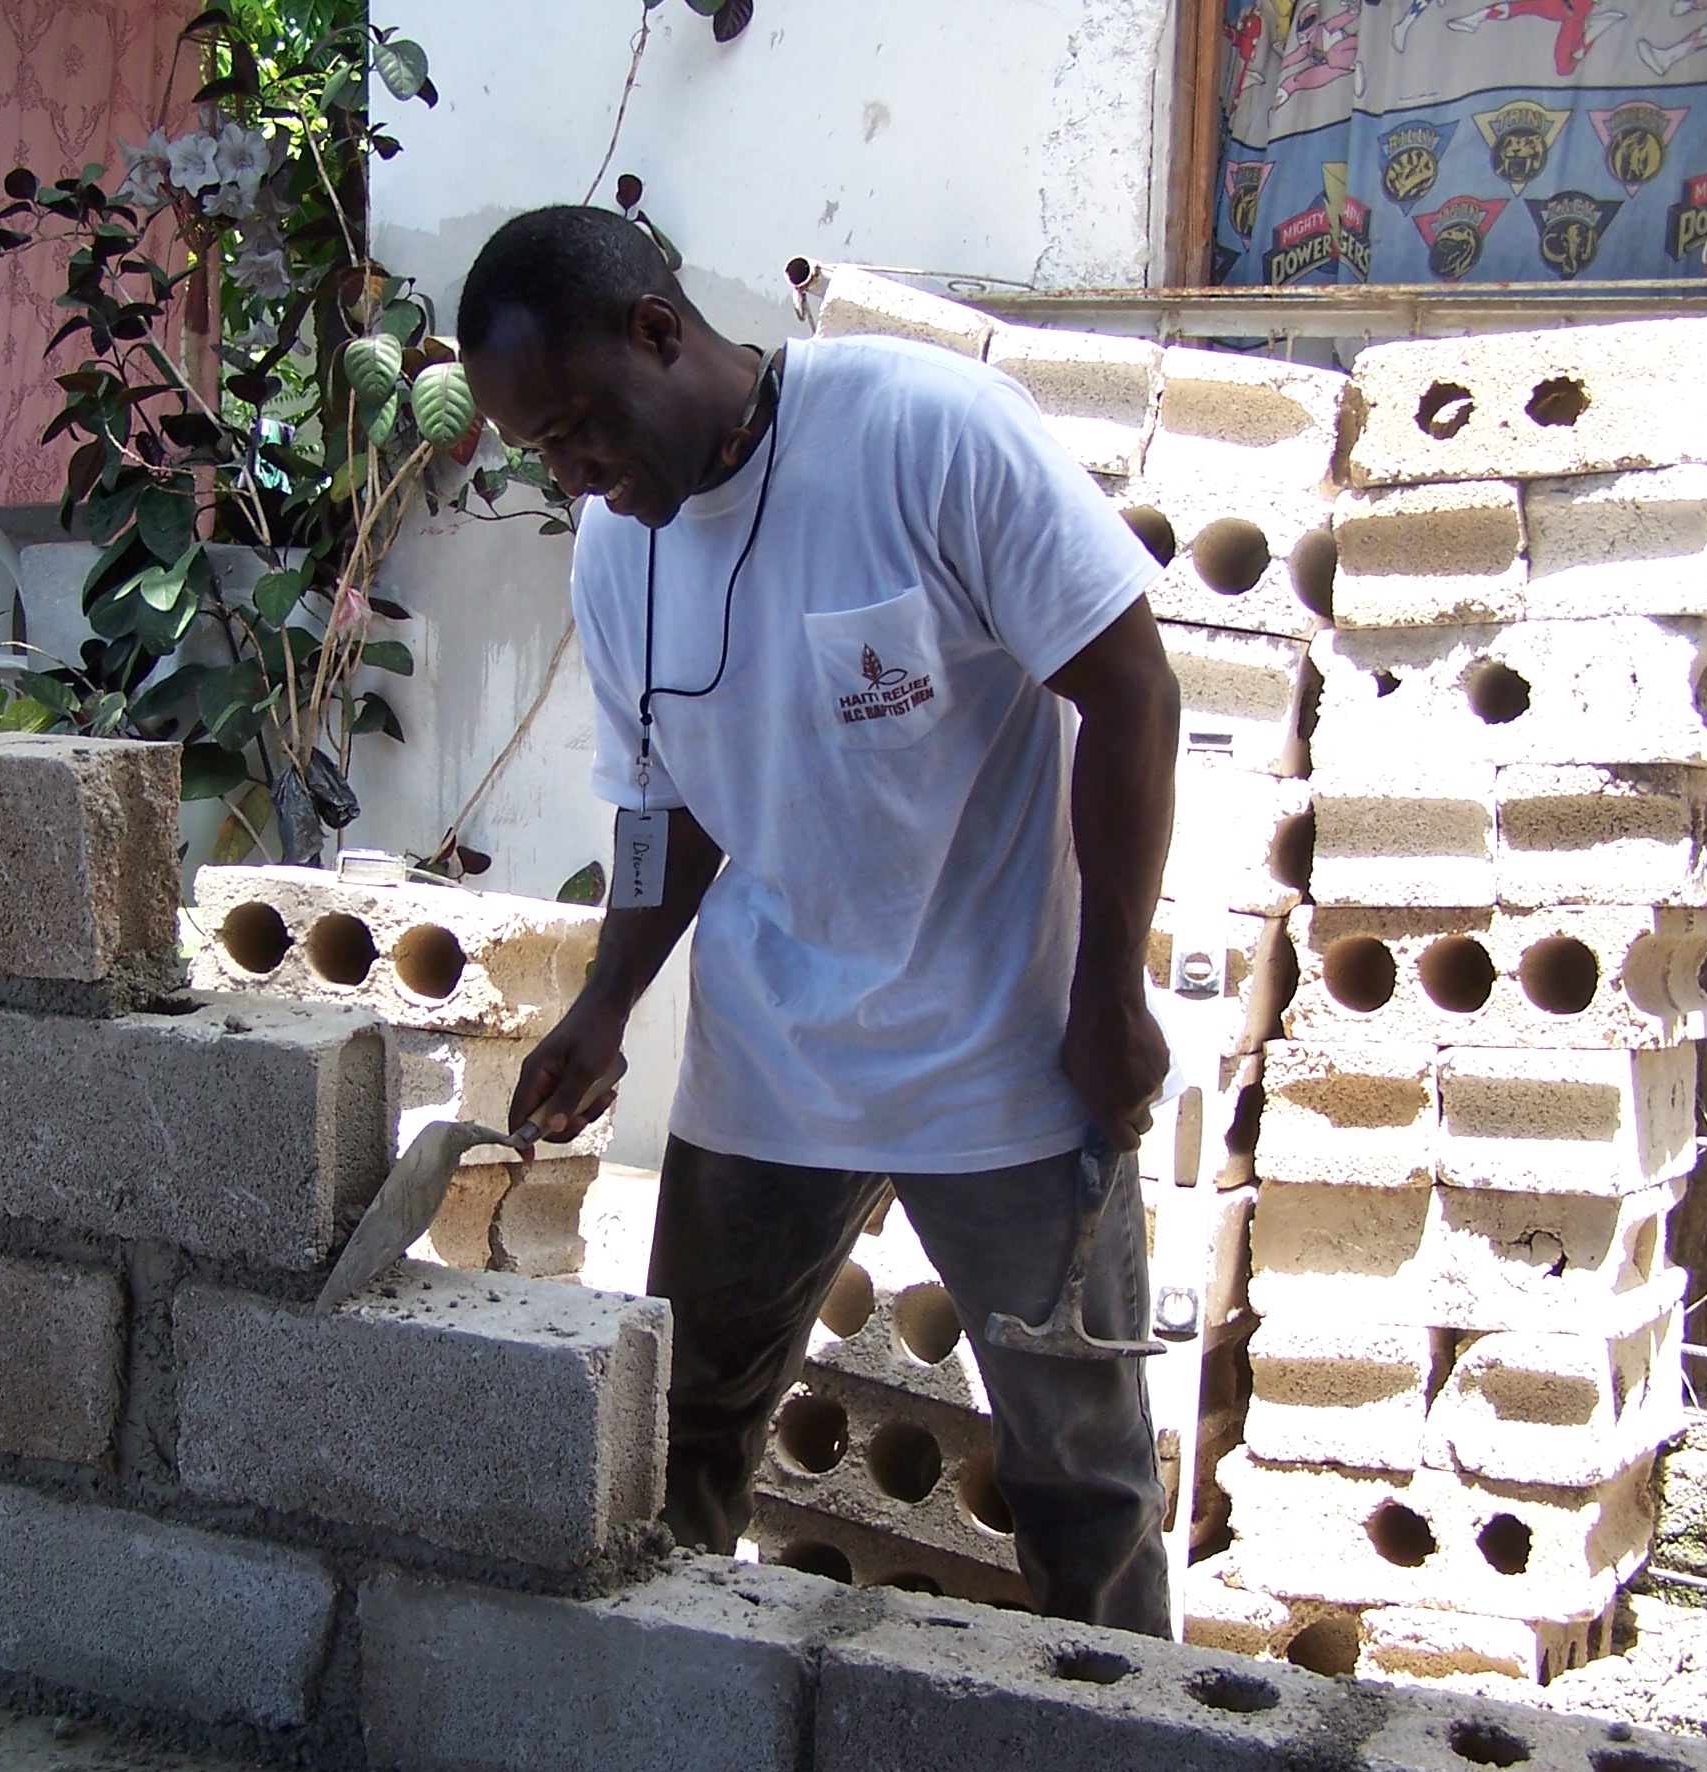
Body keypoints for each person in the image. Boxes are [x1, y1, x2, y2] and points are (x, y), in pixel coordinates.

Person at [458, 207, 1181, 1636]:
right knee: (676, 1438)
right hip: (772, 1064)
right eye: (543, 453)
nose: (575, 478)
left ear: (659, 332)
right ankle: (661, 1726)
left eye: (579, 430)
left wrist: (1108, 997)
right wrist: (605, 1001)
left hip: (1006, 1060)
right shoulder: (615, 552)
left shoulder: (925, 434)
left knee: (1081, 1480)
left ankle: (1129, 1750)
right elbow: (664, 804)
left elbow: (1131, 692)